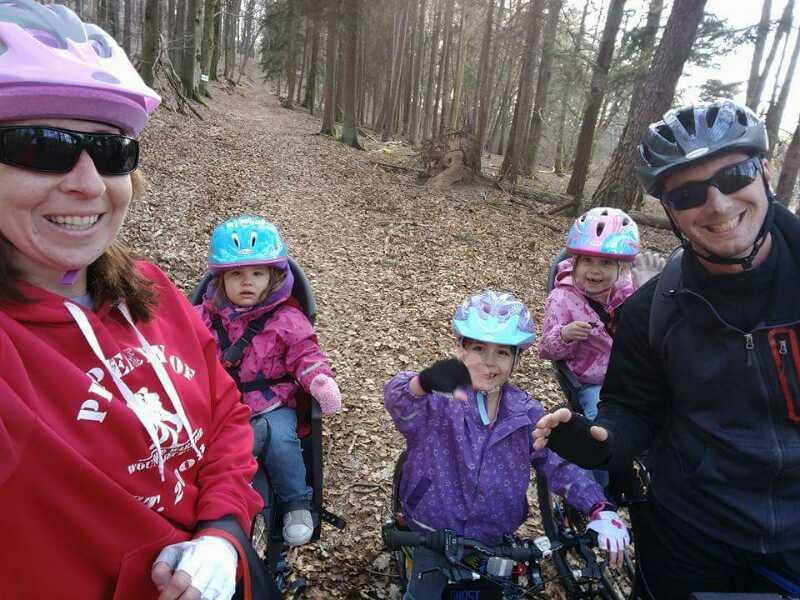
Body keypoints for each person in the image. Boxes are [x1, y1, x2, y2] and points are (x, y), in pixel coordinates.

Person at [0, 2, 268, 599]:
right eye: (40, 147)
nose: (88, 182)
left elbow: (225, 413)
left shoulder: (152, 290)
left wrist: (224, 530)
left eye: (110, 152)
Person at [533, 100, 800, 599]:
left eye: (735, 175)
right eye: (688, 193)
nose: (717, 204)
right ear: (670, 210)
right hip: (689, 532)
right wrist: (603, 442)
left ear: (765, 172)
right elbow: (632, 407)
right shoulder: (652, 311)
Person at [385, 290, 630, 600]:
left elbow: (559, 463)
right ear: (459, 350)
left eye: (502, 352)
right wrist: (421, 383)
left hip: (494, 536)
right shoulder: (438, 402)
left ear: (516, 358)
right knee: (424, 592)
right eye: (478, 348)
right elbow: (399, 401)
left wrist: (599, 506)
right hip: (431, 528)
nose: (489, 362)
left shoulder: (526, 414)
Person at [197, 215, 342, 547]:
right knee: (201, 445)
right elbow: (176, 345)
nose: (247, 282)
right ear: (220, 280)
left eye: (257, 274)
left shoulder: (287, 319)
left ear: (274, 278)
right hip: (218, 406)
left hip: (271, 404)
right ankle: (204, 504)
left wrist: (319, 380)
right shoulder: (201, 318)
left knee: (281, 440)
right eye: (236, 274)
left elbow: (306, 354)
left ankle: (296, 503)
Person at [539, 207, 640, 420]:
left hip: (632, 375)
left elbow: (649, 327)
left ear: (620, 268)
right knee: (602, 422)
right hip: (593, 383)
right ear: (574, 263)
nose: (595, 270)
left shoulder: (628, 292)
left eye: (606, 263)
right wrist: (564, 334)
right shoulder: (562, 298)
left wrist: (647, 286)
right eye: (587, 261)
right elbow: (546, 348)